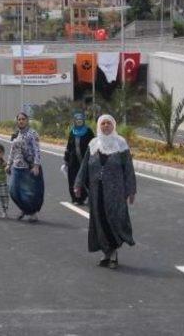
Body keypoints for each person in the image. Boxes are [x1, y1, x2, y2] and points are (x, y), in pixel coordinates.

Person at [74, 115, 136, 270]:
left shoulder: (121, 144)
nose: (106, 126)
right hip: (96, 191)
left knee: (113, 220)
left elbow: (128, 168)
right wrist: (78, 183)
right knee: (99, 220)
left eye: (109, 123)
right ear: (99, 126)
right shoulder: (93, 144)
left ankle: (113, 253)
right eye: (103, 123)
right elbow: (84, 166)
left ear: (113, 125)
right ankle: (106, 253)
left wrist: (131, 190)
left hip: (116, 191)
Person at [6, 112, 44, 222]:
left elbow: (37, 150)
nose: (21, 121)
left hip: (28, 168)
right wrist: (9, 164)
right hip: (16, 167)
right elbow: (12, 150)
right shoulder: (16, 134)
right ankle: (24, 209)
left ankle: (32, 213)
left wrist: (36, 166)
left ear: (27, 121)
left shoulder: (32, 134)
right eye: (19, 119)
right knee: (13, 191)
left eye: (23, 119)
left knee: (29, 193)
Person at [63, 112, 95, 205]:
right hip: (74, 161)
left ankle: (89, 197)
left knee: (87, 179)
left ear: (83, 121)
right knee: (73, 179)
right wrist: (66, 159)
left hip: (86, 160)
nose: (79, 122)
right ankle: (77, 198)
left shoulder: (88, 131)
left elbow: (93, 145)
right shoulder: (72, 132)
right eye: (77, 120)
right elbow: (69, 147)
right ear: (74, 121)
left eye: (81, 120)